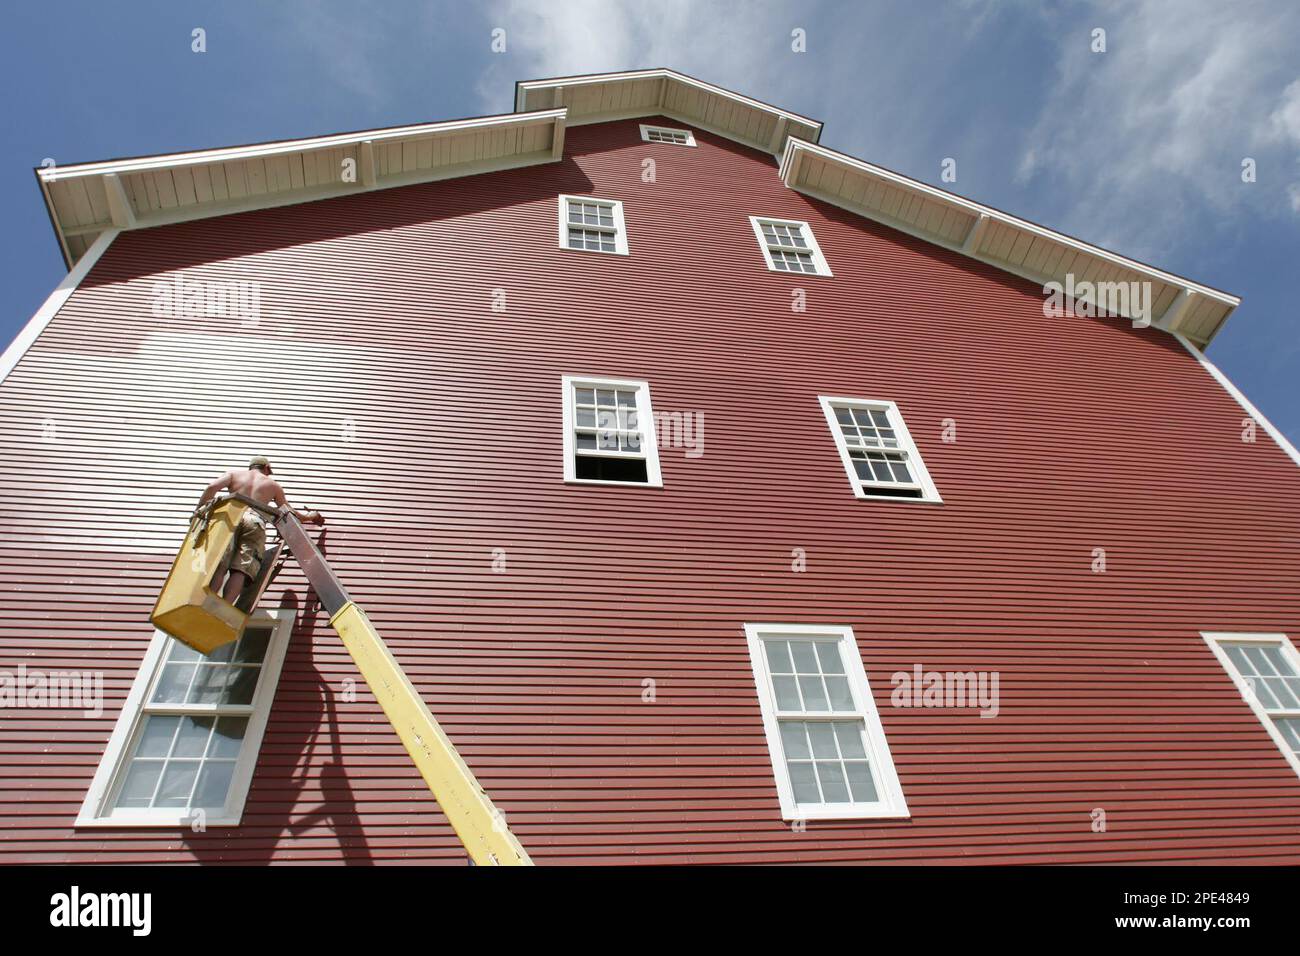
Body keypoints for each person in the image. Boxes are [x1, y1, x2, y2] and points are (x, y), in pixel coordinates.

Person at [196, 456, 325, 603]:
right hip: (255, 521)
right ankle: (223, 606)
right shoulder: (273, 485)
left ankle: (207, 602)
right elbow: (289, 511)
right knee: (241, 568)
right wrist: (310, 516)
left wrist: (198, 511)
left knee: (221, 564)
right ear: (267, 468)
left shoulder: (234, 474)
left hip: (232, 517)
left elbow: (211, 487)